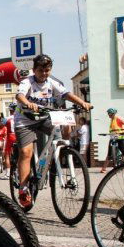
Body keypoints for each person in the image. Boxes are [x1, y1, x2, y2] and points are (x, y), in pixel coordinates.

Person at [14, 54, 92, 209]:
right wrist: (28, 103)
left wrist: (82, 102)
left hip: (44, 118)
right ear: (34, 70)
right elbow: (19, 95)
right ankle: (23, 188)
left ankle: (57, 159)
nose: (44, 73)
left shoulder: (52, 82)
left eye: (47, 70)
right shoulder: (27, 81)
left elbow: (66, 94)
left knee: (64, 130)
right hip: (25, 120)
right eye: (41, 70)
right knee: (26, 152)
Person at [100, 107, 124, 172]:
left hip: (120, 137)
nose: (108, 115)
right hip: (113, 137)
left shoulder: (118, 118)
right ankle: (104, 168)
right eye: (108, 114)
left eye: (109, 114)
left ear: (113, 113)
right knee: (109, 153)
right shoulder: (112, 119)